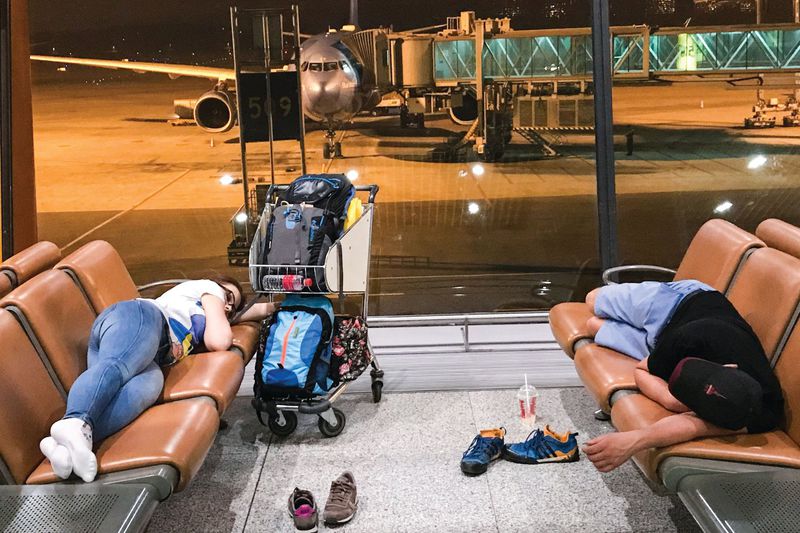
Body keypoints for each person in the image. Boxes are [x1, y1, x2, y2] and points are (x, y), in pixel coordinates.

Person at [38, 275, 277, 483]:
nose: (227, 306)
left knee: (150, 385)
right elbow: (219, 341)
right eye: (228, 297)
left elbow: (250, 313)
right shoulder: (209, 289)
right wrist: (222, 304)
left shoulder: (204, 309)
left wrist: (276, 306)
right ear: (218, 286)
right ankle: (74, 420)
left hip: (153, 353)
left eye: (232, 307)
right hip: (140, 318)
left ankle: (65, 448)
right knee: (117, 367)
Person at [579, 280, 784, 473]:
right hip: (675, 303)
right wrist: (673, 401)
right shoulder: (692, 337)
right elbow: (641, 370)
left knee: (593, 326)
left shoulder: (761, 409)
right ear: (728, 367)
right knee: (592, 301)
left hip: (664, 344)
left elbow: (692, 427)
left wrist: (633, 440)